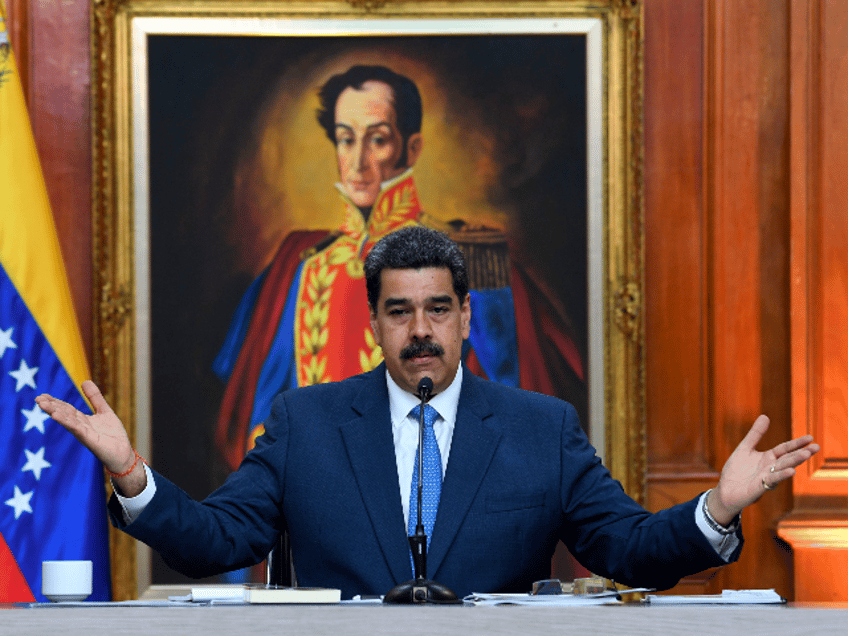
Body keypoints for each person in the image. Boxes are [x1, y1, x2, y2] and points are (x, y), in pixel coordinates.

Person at [37, 226, 819, 600]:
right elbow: (214, 539)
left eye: (438, 310)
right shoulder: (306, 422)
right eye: (401, 312)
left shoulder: (540, 427)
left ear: (466, 318)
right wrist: (133, 474)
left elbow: (624, 546)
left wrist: (716, 508)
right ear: (375, 322)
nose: (420, 331)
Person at [214, 65, 586, 472]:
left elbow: (507, 402)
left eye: (377, 140)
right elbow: (265, 418)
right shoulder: (302, 266)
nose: (357, 161)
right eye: (345, 139)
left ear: (411, 149)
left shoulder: (471, 257)